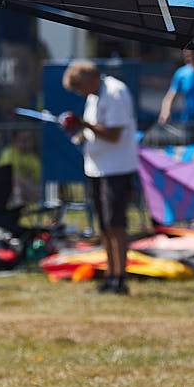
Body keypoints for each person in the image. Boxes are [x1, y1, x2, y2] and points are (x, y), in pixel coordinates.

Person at [61, 60, 138, 294]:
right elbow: (92, 129)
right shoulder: (93, 96)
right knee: (104, 225)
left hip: (116, 168)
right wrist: (77, 130)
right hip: (96, 167)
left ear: (91, 79)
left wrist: (84, 123)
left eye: (79, 87)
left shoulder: (115, 92)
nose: (79, 93)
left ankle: (120, 277)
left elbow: (114, 134)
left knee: (116, 224)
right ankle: (110, 274)